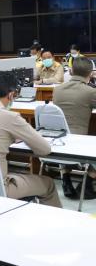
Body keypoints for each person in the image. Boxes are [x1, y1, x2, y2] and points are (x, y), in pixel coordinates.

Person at [0, 71, 61, 207]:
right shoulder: (10, 117)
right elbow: (45, 149)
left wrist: (8, 137)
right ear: (11, 95)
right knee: (48, 184)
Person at [53, 57, 96, 199]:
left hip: (58, 143)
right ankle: (88, 182)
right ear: (90, 73)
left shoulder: (57, 90)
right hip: (78, 143)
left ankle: (66, 180)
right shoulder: (90, 92)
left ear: (71, 71)